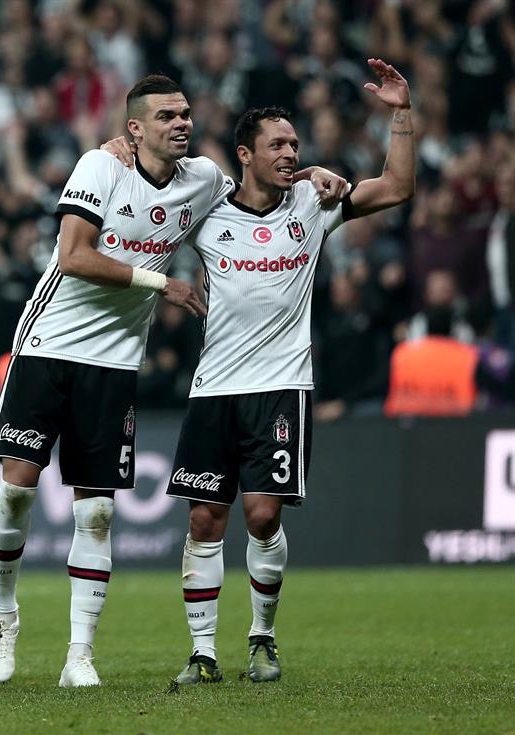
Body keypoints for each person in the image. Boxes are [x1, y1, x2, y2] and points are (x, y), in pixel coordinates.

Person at [0, 74, 346, 688]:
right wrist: (163, 284)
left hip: (119, 358)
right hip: (48, 344)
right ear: (135, 128)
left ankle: (79, 657)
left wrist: (309, 174)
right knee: (17, 489)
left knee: (96, 512)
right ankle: (4, 617)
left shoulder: (203, 180)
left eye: (186, 114)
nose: (182, 123)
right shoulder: (100, 167)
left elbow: (260, 185)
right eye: (168, 115)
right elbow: (74, 256)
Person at [162, 59, 414, 686]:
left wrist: (401, 113)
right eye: (278, 144)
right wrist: (160, 283)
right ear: (244, 154)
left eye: (295, 145)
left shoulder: (314, 201)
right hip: (213, 387)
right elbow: (145, 208)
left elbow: (397, 186)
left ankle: (262, 639)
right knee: (202, 520)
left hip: (280, 388)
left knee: (264, 517)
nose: (291, 153)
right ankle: (202, 653)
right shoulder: (206, 214)